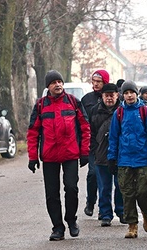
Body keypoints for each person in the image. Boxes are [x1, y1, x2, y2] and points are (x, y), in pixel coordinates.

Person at [27, 70, 91, 241]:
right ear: (48, 86)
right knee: (51, 194)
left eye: (60, 81)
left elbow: (85, 127)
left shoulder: (73, 102)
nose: (58, 85)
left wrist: (85, 152)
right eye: (54, 82)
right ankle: (57, 228)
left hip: (71, 155)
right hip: (49, 157)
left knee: (71, 188)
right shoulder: (41, 105)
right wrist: (33, 157)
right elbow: (33, 132)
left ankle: (71, 220)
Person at [107, 80, 147, 239]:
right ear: (123, 95)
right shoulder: (119, 113)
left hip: (143, 159)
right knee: (127, 194)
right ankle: (132, 225)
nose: (129, 95)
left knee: (143, 192)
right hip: (124, 160)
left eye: (132, 92)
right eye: (126, 93)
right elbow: (114, 137)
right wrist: (111, 158)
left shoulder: (144, 111)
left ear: (136, 94)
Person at [89, 83, 125, 227]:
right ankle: (105, 214)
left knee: (120, 185)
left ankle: (121, 212)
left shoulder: (123, 110)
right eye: (106, 95)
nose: (109, 98)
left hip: (120, 154)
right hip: (101, 154)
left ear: (117, 95)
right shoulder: (94, 111)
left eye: (112, 95)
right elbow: (89, 132)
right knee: (104, 186)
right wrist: (94, 149)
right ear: (102, 97)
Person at [81, 69, 110, 217]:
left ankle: (103, 208)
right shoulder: (86, 99)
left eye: (99, 81)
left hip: (108, 144)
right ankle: (90, 201)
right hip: (92, 144)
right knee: (93, 173)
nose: (96, 84)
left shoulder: (111, 98)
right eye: (94, 81)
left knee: (105, 177)